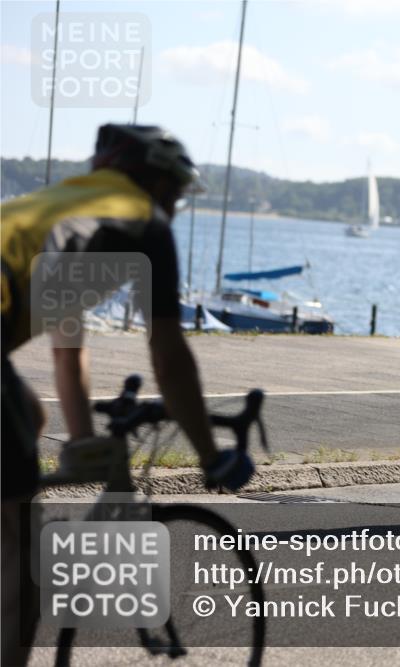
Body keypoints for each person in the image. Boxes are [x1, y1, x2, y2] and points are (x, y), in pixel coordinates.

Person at [1, 123, 254, 666]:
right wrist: (209, 453)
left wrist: (86, 442)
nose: (177, 205)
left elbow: (68, 351)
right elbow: (168, 354)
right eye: (178, 193)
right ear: (158, 184)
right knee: (17, 567)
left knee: (25, 411)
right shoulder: (143, 223)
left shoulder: (67, 208)